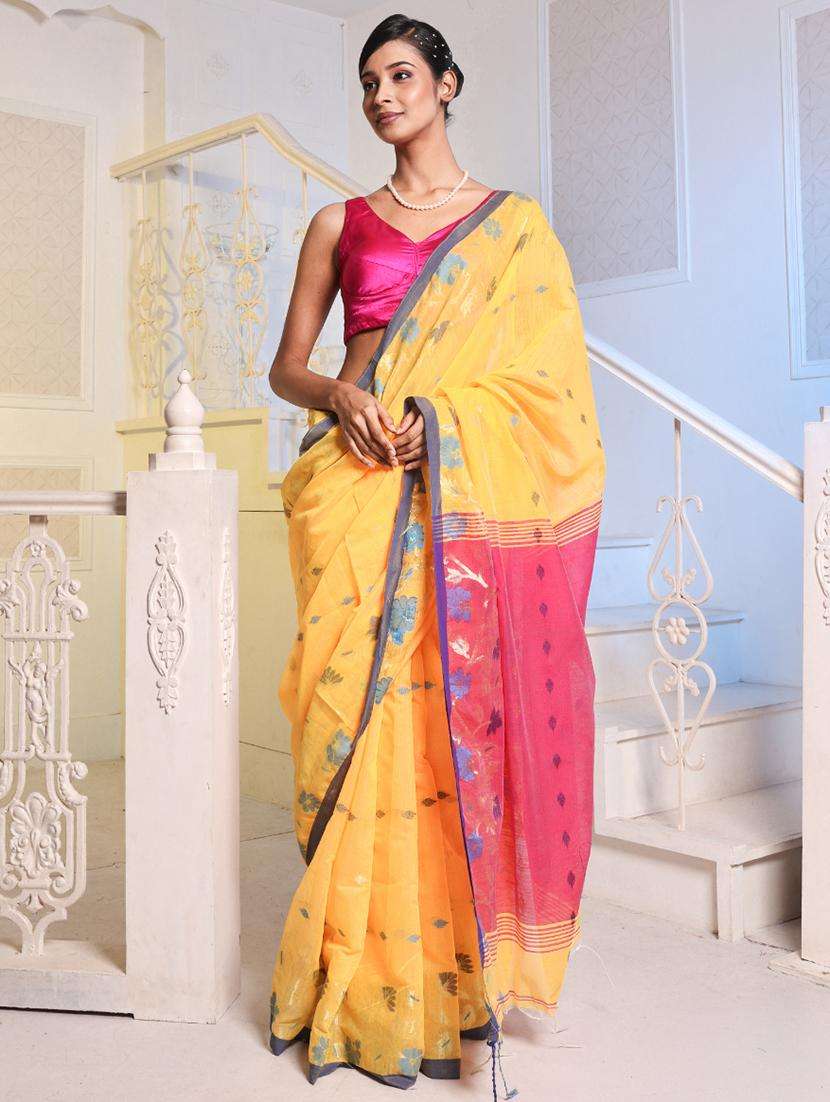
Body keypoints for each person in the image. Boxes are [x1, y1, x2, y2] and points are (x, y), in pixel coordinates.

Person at [266, 13, 605, 1095]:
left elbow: (546, 385)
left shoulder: (513, 229)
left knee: (453, 723)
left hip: (455, 490)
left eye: (402, 75)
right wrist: (345, 398)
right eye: (369, 81)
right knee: (362, 722)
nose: (383, 95)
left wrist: (441, 420)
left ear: (446, 84)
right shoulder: (339, 221)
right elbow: (287, 367)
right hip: (357, 485)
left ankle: (464, 991)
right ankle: (362, 979)